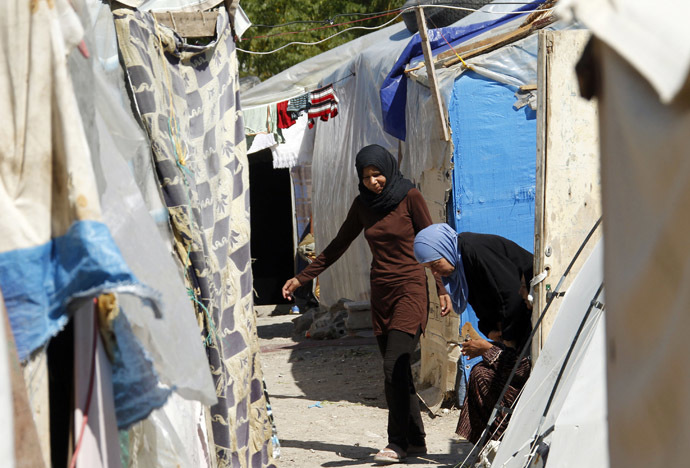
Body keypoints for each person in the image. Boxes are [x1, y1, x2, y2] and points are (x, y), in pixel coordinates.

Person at [281, 144, 451, 464]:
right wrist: (302, 278)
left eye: (378, 174)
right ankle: (415, 441)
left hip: (410, 291)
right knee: (397, 371)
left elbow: (430, 241)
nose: (374, 181)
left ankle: (396, 442)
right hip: (381, 295)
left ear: (388, 169)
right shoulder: (363, 205)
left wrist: (441, 288)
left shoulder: (409, 196)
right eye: (367, 176)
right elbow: (337, 246)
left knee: (394, 366)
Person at [413, 223, 533, 445]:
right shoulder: (463, 261)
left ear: (445, 249)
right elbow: (484, 302)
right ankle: (491, 445)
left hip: (529, 331)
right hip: (515, 333)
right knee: (480, 373)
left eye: (435, 264)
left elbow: (511, 296)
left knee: (486, 376)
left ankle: (509, 443)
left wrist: (500, 344)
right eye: (429, 268)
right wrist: (491, 332)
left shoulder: (475, 251)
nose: (435, 273)